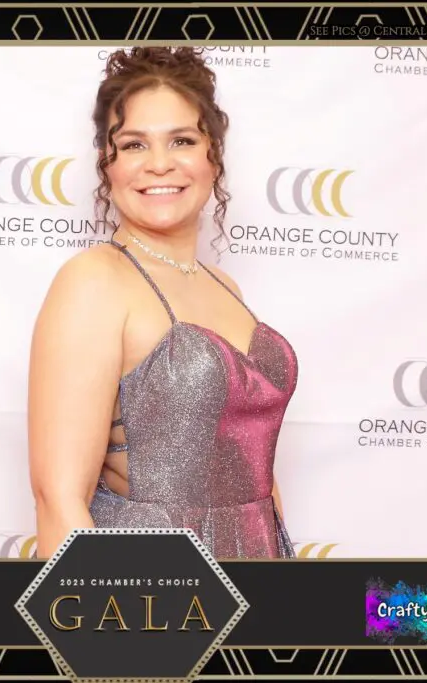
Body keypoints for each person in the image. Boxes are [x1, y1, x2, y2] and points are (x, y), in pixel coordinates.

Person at [27, 46, 298, 560]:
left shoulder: (225, 287)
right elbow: (58, 500)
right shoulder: (93, 281)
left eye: (182, 140)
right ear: (107, 164)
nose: (158, 164)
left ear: (213, 155)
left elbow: (254, 474)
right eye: (133, 144)